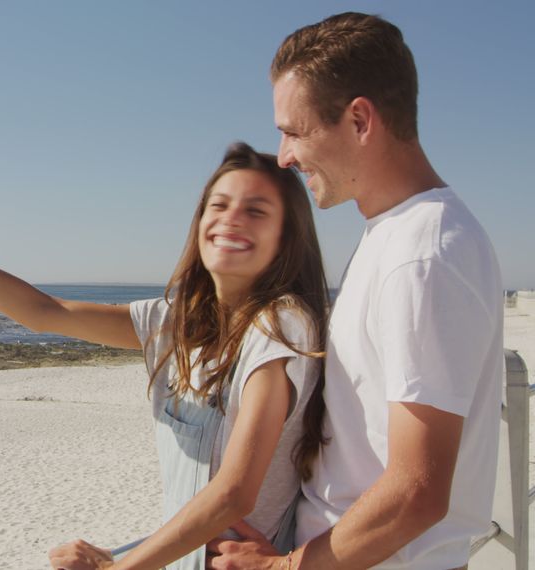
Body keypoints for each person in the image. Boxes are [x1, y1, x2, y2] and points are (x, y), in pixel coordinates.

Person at [0, 142, 330, 569]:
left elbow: (235, 493)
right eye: (219, 205)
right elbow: (45, 312)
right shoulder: (176, 323)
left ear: (286, 236)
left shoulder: (280, 325)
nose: (232, 219)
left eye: (256, 211)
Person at [206, 13, 504, 570]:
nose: (286, 156)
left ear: (360, 119)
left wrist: (283, 567)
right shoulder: (396, 235)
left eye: (294, 131)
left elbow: (417, 491)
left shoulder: (423, 255)